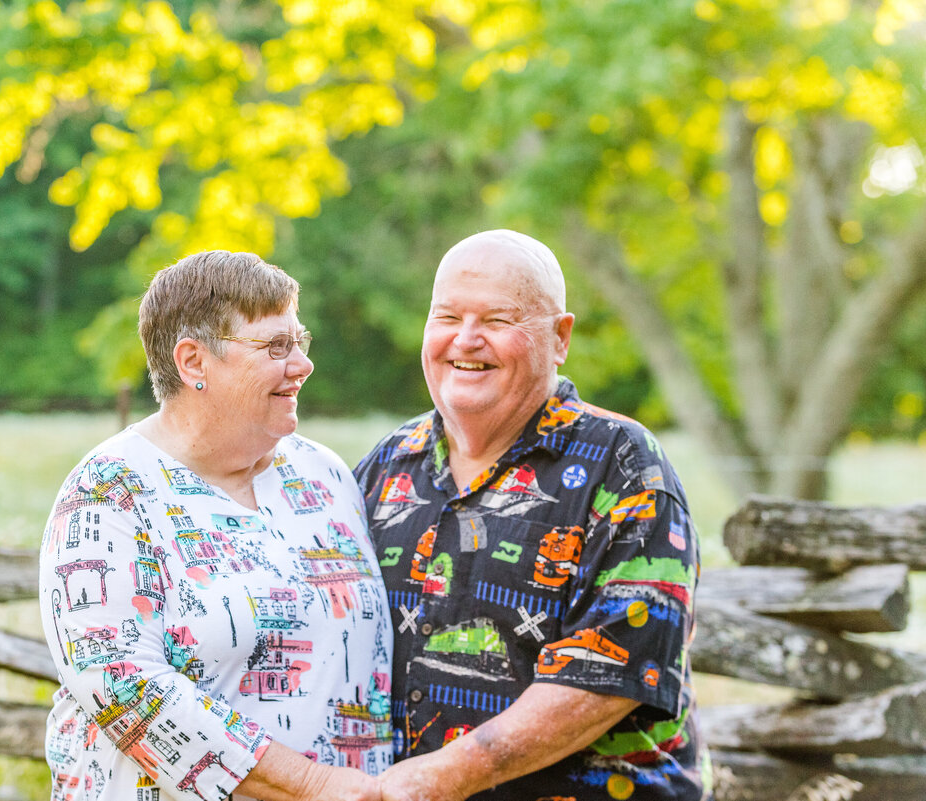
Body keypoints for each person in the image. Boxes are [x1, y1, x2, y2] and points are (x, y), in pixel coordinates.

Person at [354, 230, 710, 801]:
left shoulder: (622, 464)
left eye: (497, 321)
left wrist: (436, 780)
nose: (466, 341)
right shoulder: (385, 466)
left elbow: (608, 676)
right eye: (447, 316)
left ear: (560, 337)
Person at [39, 251, 393, 801]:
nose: (302, 364)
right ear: (193, 361)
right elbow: (122, 687)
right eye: (276, 347)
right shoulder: (110, 493)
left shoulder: (324, 476)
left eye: (300, 341)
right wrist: (315, 786)